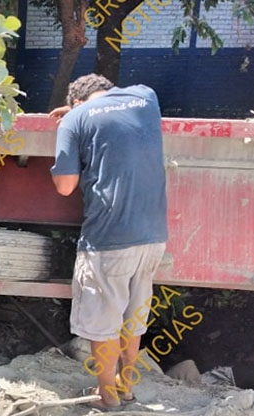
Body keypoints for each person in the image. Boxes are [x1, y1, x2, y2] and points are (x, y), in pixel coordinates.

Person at [47, 74, 168, 411]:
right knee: (132, 317)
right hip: (153, 236)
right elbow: (108, 106)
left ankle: (106, 395)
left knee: (104, 321)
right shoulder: (146, 96)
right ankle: (125, 386)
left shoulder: (74, 119)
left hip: (109, 239)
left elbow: (65, 186)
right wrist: (79, 111)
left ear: (77, 103)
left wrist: (72, 119)